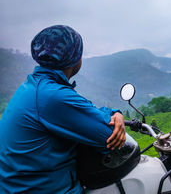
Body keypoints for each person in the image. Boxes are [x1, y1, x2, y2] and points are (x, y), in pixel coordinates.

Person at [0, 25, 126, 193]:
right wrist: (115, 115)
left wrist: (114, 113)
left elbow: (84, 108)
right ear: (75, 58)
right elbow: (109, 138)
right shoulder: (52, 96)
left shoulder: (34, 87)